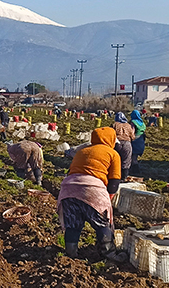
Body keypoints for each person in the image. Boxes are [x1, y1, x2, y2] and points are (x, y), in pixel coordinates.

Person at [56, 127, 122, 260]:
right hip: (92, 188)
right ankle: (109, 253)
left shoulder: (82, 151)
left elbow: (73, 171)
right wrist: (108, 198)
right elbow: (114, 181)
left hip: (69, 188)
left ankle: (71, 253)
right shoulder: (112, 153)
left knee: (73, 224)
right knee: (102, 223)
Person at [112, 112, 135, 179]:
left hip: (117, 143)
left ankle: (115, 176)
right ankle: (124, 177)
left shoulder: (114, 124)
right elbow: (133, 137)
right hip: (127, 144)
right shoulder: (128, 125)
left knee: (116, 160)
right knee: (126, 161)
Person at [129, 110, 147, 174]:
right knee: (135, 157)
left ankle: (135, 171)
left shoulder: (133, 122)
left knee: (132, 157)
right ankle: (136, 170)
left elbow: (132, 131)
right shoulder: (142, 123)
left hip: (135, 141)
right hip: (141, 140)